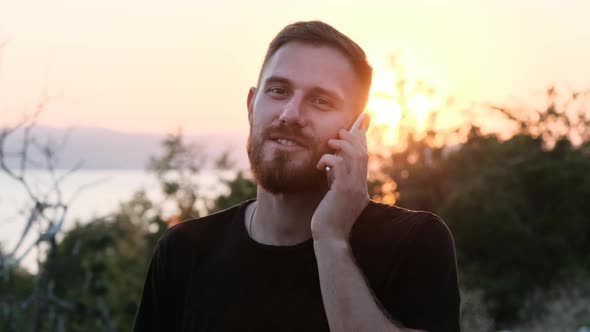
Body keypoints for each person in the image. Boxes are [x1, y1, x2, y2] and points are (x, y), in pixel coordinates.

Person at [134, 21, 460, 332]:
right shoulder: (184, 252)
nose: (290, 114)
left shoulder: (414, 243)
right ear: (251, 105)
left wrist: (331, 239)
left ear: (357, 129)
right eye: (278, 91)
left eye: (321, 101)